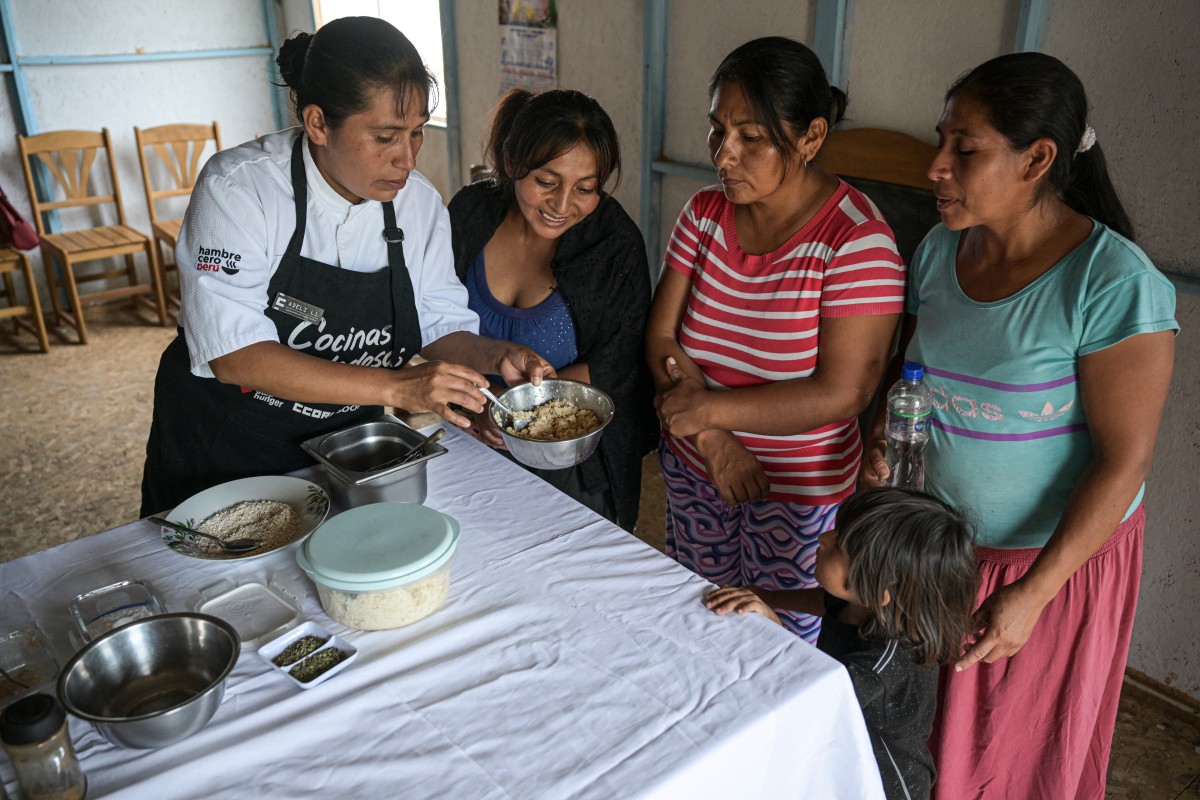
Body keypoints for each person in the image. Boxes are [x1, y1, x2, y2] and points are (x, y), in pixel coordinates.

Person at [860, 53, 1178, 799]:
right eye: (943, 141)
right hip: (945, 553)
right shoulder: (940, 251)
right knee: (930, 741)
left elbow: (1124, 461)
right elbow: (916, 371)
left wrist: (1035, 591)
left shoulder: (1113, 284)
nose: (936, 166)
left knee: (1020, 752)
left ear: (1038, 158)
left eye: (964, 150)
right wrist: (885, 436)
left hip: (1050, 565)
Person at [140, 17, 553, 516]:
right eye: (385, 136)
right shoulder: (241, 188)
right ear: (317, 123)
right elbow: (235, 355)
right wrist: (398, 386)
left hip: (344, 448)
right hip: (228, 447)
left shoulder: (418, 206)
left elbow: (436, 322)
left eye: (417, 133)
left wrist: (496, 353)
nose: (408, 159)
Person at [645, 36, 906, 641]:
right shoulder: (704, 213)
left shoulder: (855, 241)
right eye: (717, 131)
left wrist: (708, 408)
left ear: (811, 137)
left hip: (797, 495)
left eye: (751, 137)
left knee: (775, 646)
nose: (724, 155)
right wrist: (712, 438)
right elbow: (661, 333)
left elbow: (845, 391)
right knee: (698, 622)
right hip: (696, 468)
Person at [448, 88, 657, 531]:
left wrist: (514, 413)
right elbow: (433, 317)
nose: (563, 206)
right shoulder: (470, 214)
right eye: (546, 181)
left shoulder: (613, 246)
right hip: (466, 439)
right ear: (510, 163)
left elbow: (619, 363)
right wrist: (485, 411)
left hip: (570, 463)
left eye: (586, 189)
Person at [705, 487, 978, 800]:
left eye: (840, 546)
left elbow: (818, 695)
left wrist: (773, 627)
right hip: (841, 752)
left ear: (879, 590)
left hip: (880, 782)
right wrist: (768, 596)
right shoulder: (862, 603)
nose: (824, 539)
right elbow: (824, 601)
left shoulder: (881, 662)